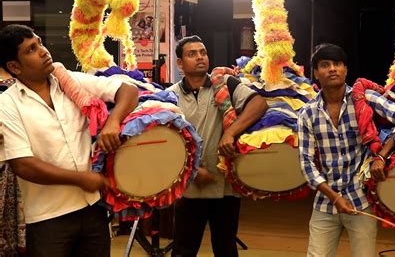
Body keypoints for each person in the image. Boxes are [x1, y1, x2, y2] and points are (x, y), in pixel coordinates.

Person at [0, 24, 138, 257]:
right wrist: (81, 179)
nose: (43, 51)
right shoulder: (8, 105)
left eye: (40, 43)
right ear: (15, 67)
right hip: (48, 219)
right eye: (31, 50)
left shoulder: (69, 82)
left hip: (93, 210)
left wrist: (113, 121)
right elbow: (23, 164)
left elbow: (128, 90)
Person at [297, 43, 395, 257]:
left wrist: (382, 155)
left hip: (361, 201)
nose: (332, 69)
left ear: (346, 69)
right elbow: (306, 164)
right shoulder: (307, 114)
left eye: (338, 64)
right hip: (326, 203)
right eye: (325, 65)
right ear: (315, 73)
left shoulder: (364, 99)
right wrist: (334, 197)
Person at [167, 35, 267, 257]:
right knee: (183, 250)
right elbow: (167, 141)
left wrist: (230, 132)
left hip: (225, 187)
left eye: (203, 52)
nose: (200, 57)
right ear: (180, 64)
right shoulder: (170, 96)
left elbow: (259, 104)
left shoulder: (225, 85)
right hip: (189, 188)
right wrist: (191, 169)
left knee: (226, 249)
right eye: (192, 54)